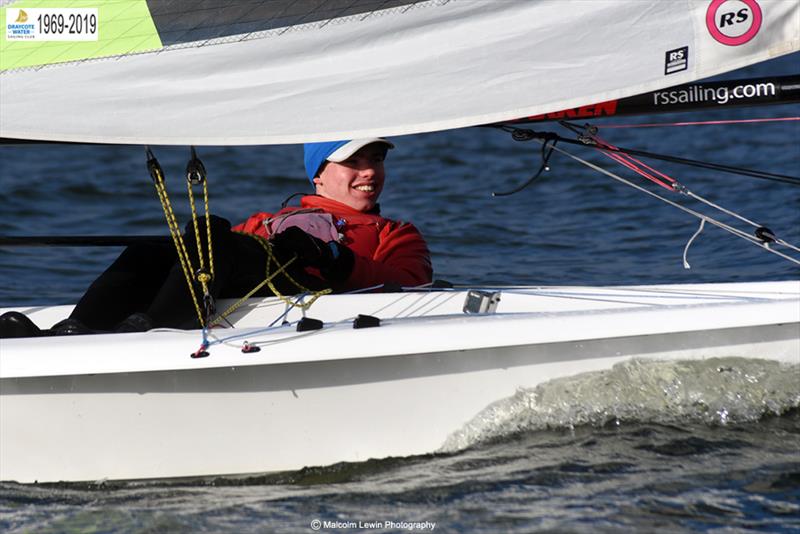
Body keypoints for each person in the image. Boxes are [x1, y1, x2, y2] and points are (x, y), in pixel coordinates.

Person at [0, 138, 432, 337]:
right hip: (253, 277)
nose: (371, 171)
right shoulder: (269, 219)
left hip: (308, 285)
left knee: (210, 233)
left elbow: (411, 285)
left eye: (375, 160)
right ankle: (72, 330)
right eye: (354, 161)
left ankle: (156, 330)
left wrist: (338, 259)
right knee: (156, 249)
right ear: (319, 173)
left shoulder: (394, 232)